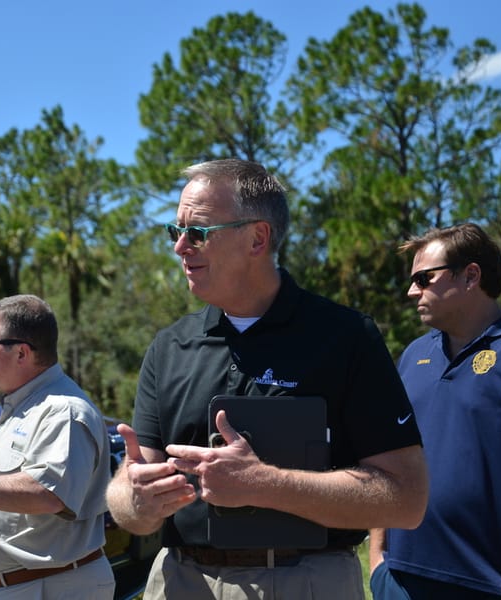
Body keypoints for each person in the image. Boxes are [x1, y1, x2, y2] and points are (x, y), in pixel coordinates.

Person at [105, 159, 429, 600]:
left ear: (257, 237)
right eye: (174, 231)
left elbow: (406, 499)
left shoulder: (345, 338)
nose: (180, 247)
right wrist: (135, 501)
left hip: (303, 581)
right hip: (180, 581)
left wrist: (264, 484)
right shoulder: (169, 347)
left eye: (197, 232)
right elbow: (133, 488)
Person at [369, 223, 501, 600]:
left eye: (424, 278)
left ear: (471, 275)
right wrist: (378, 559)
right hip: (401, 580)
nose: (411, 291)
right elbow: (389, 458)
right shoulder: (414, 356)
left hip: (490, 586)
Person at [0, 295, 115, 599]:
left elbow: (46, 494)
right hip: (22, 587)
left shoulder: (63, 412)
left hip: (49, 588)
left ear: (22, 352)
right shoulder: (24, 404)